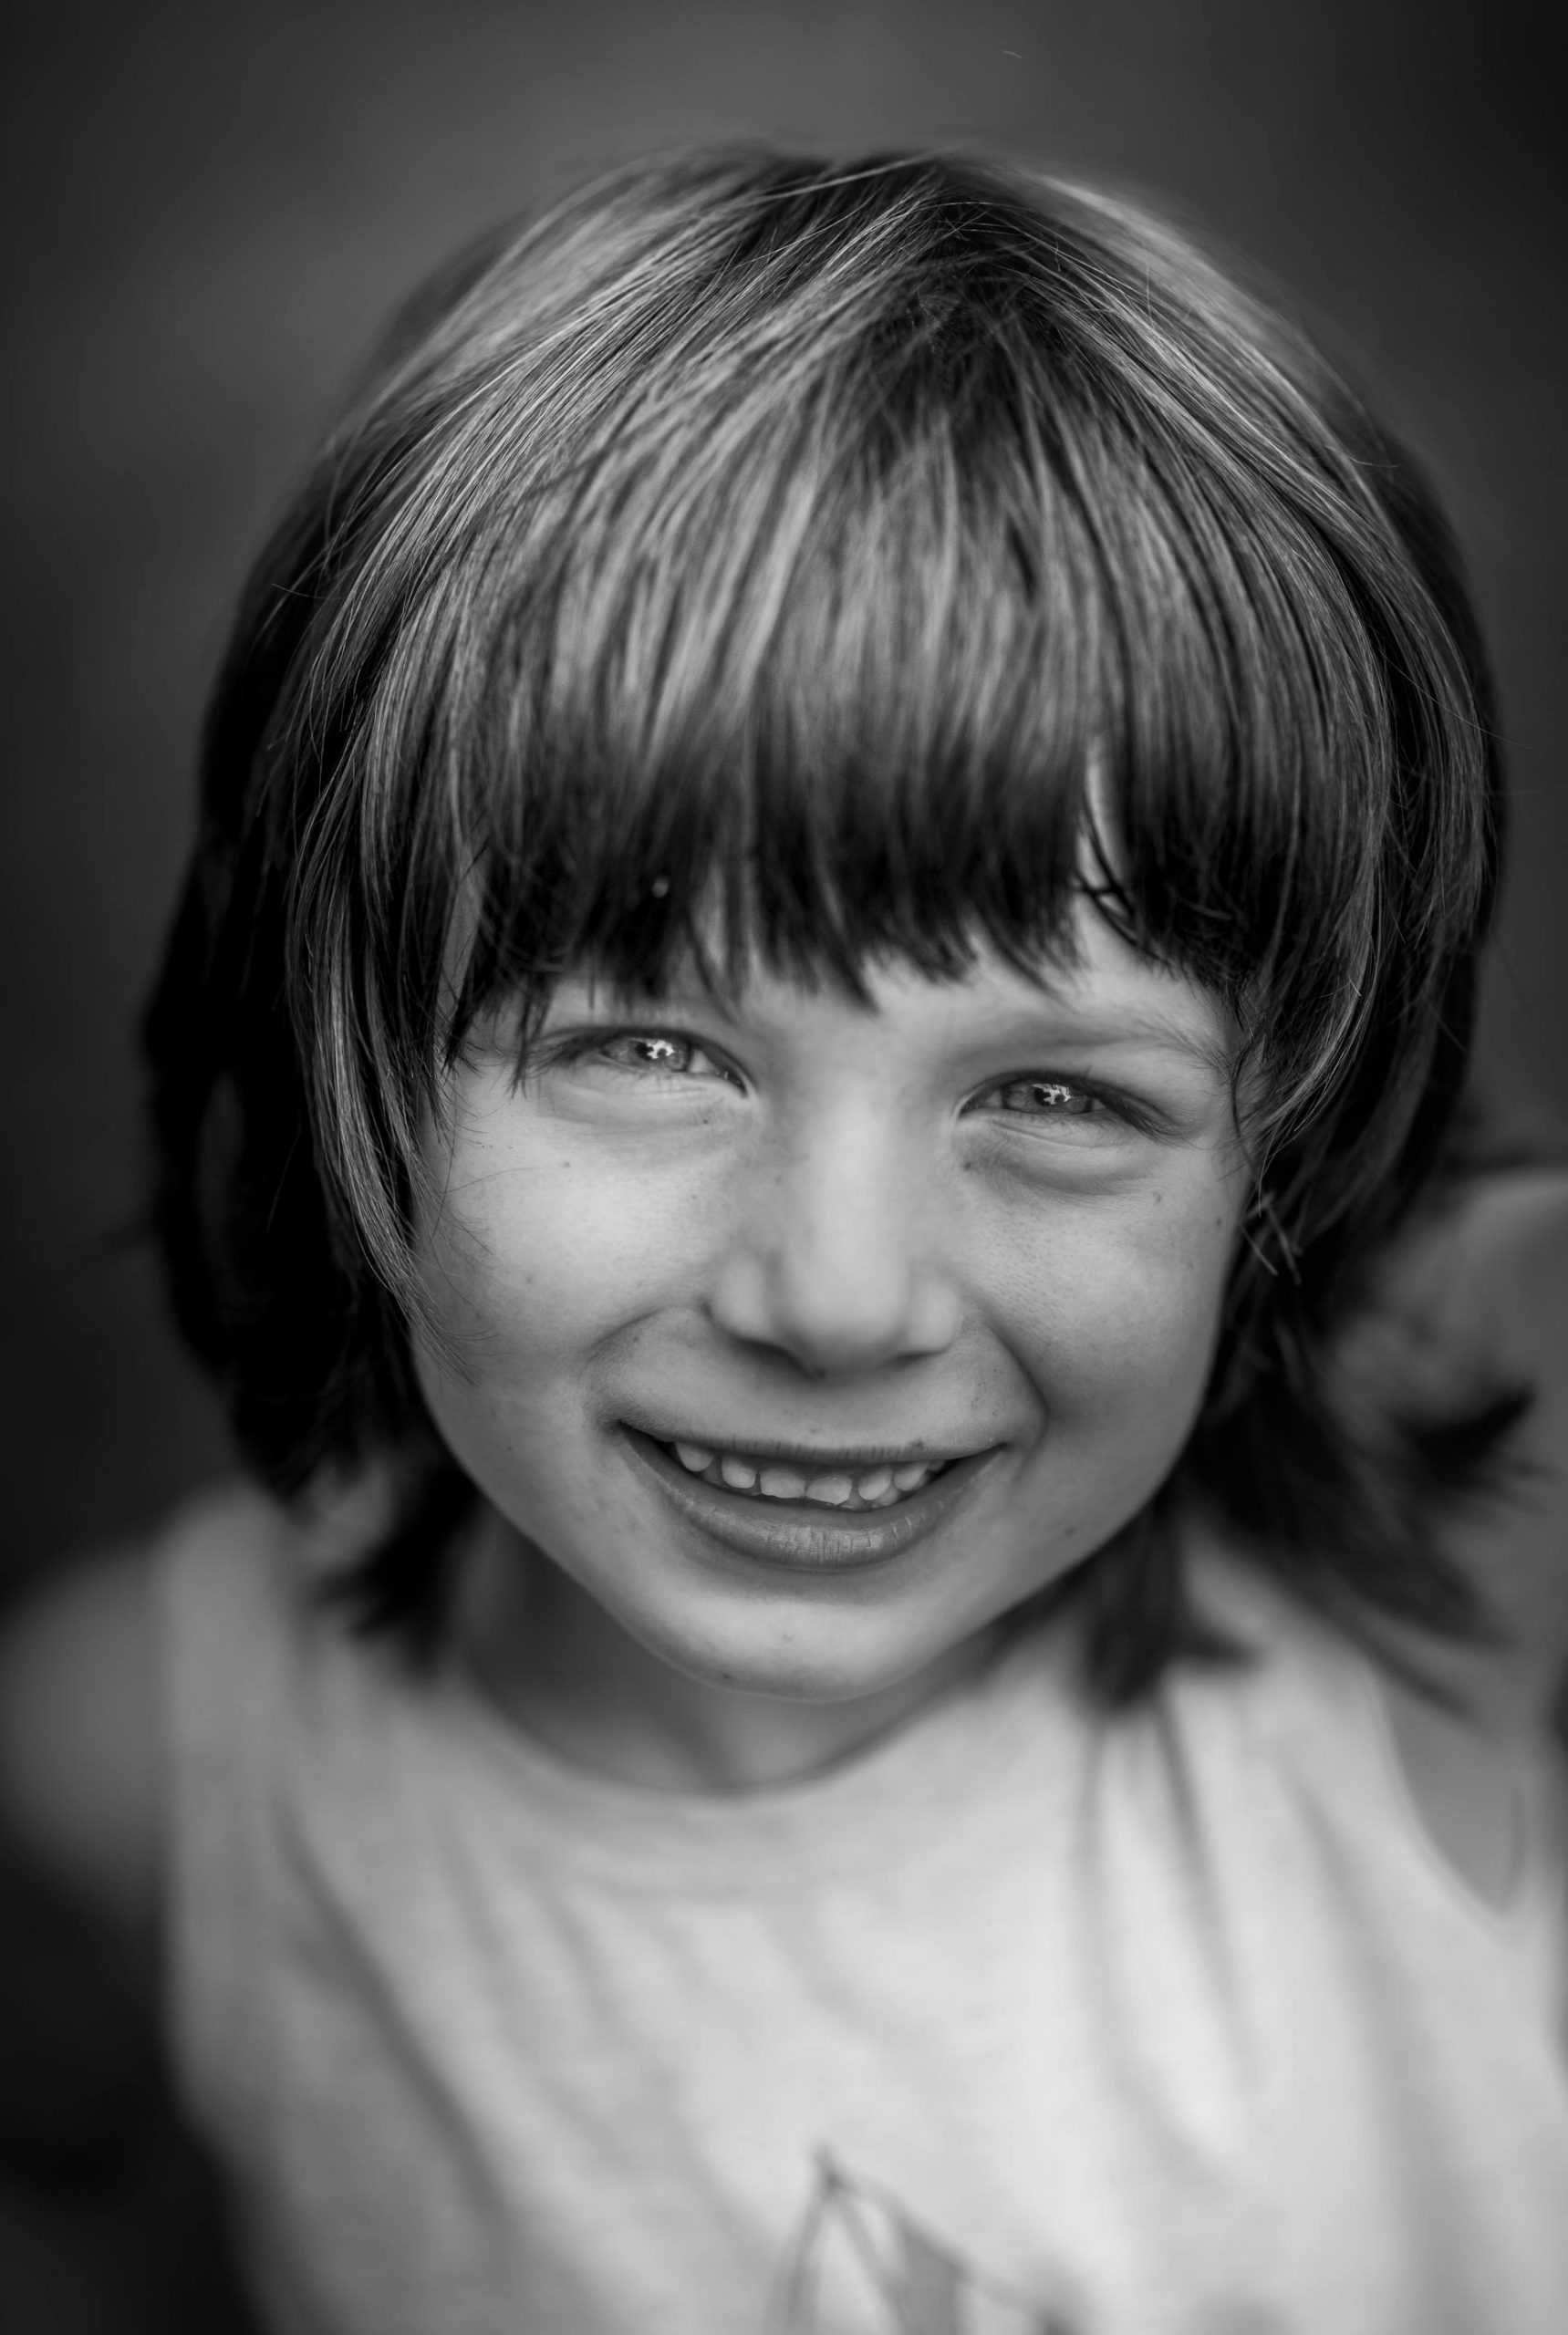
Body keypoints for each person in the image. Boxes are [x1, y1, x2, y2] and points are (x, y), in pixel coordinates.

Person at [2, 144, 1566, 2335]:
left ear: (1295, 1149)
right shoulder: (148, 1782)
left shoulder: (1469, 1498)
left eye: (1059, 1096)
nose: (836, 1294)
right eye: (645, 1049)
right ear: (329, 1042)